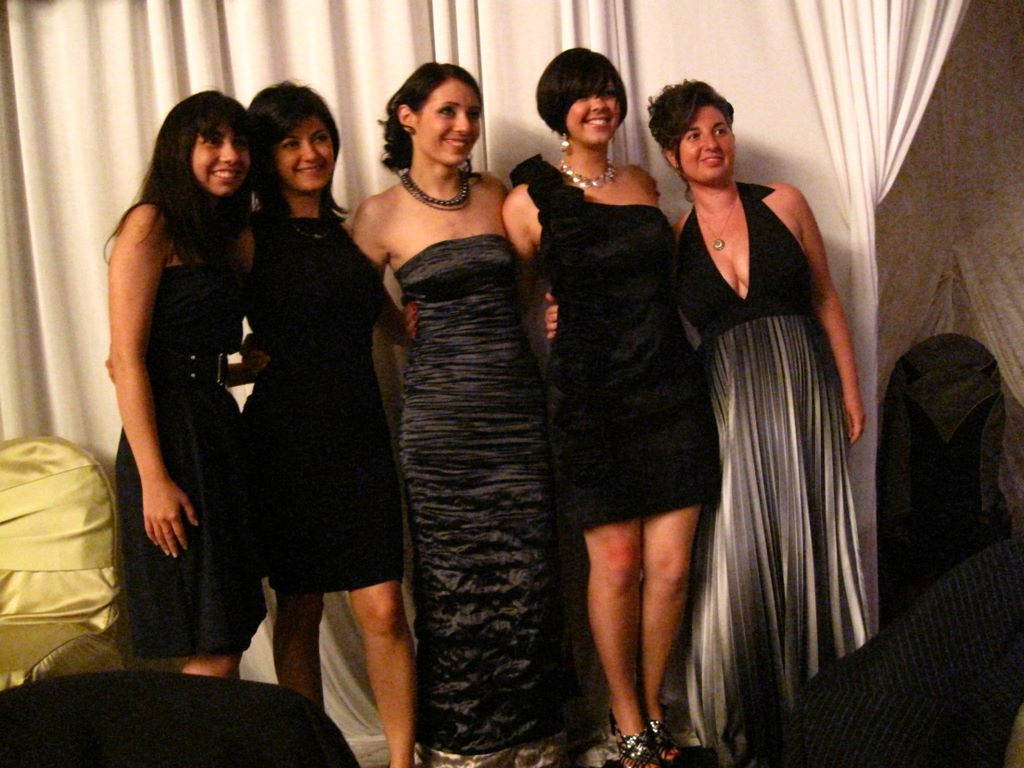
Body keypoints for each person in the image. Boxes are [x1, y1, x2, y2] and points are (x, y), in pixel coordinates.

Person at [503, 49, 720, 768]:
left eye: (607, 92)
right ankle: (624, 717)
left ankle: (653, 707)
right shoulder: (526, 198)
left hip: (670, 385)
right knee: (619, 565)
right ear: (557, 110)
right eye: (582, 95)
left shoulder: (645, 183)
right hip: (591, 400)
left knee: (672, 569)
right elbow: (521, 299)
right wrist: (553, 315)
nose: (599, 105)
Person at [647, 80, 868, 767]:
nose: (710, 143)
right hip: (728, 403)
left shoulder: (785, 203)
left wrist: (850, 389)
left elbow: (826, 299)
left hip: (803, 386)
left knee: (812, 537)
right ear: (672, 155)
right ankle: (751, 718)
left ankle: (829, 715)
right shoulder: (673, 240)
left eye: (719, 128)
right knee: (739, 553)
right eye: (692, 135)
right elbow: (646, 324)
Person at [352, 63, 565, 766]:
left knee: (528, 579)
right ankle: (463, 751)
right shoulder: (378, 215)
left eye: (472, 112)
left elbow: (526, 287)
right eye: (448, 111)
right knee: (451, 589)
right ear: (408, 117)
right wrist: (400, 326)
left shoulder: (498, 195)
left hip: (514, 413)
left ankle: (533, 744)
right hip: (440, 429)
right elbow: (352, 309)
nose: (464, 126)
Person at [242, 82, 415, 768]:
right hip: (285, 442)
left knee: (385, 610)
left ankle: (401, 761)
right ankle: (310, 757)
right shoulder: (248, 239)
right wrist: (235, 363)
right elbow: (201, 328)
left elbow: (392, 324)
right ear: (267, 155)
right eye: (290, 143)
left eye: (319, 138)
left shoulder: (350, 235)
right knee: (299, 610)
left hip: (360, 437)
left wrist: (435, 318)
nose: (310, 153)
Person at [107, 91, 265, 677]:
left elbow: (195, 353)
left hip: (217, 425)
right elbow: (125, 360)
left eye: (240, 142)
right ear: (181, 149)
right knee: (212, 633)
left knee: (230, 625)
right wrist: (154, 480)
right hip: (169, 437)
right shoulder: (151, 224)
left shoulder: (227, 235)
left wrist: (245, 368)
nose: (230, 155)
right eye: (212, 140)